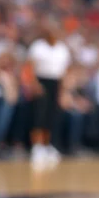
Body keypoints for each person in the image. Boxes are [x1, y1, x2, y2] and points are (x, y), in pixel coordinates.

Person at [27, 19, 72, 168]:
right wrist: (34, 84)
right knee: (39, 115)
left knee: (52, 116)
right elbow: (31, 68)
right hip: (41, 82)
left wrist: (64, 91)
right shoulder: (37, 47)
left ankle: (47, 145)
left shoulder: (62, 49)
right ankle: (37, 146)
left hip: (56, 83)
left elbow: (64, 72)